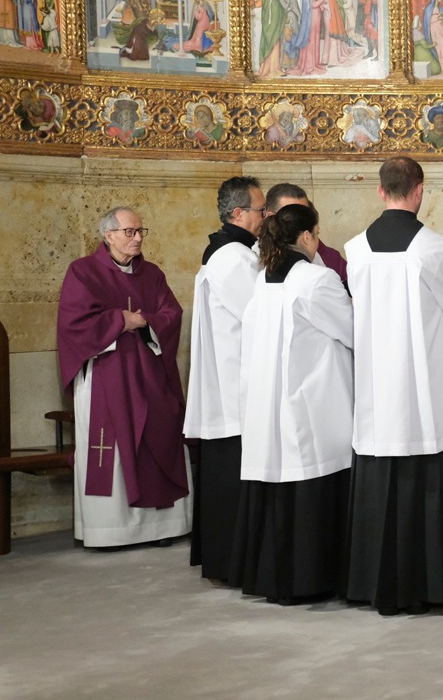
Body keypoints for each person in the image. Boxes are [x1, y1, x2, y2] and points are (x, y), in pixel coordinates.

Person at [344, 156, 443, 616]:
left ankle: (374, 583)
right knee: (428, 473)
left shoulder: (355, 249)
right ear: (419, 191)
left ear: (380, 191)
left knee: (380, 477)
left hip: (376, 385)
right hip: (424, 387)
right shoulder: (434, 250)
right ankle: (432, 585)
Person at [232, 203, 353, 604]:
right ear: (306, 237)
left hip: (269, 403)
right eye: (316, 234)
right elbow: (352, 330)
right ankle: (311, 579)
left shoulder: (264, 278)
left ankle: (273, 578)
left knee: (279, 482)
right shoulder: (317, 279)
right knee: (310, 476)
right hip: (309, 401)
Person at [57, 207, 191, 547]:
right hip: (106, 376)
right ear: (109, 235)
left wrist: (143, 321)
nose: (138, 238)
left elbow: (171, 313)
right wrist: (120, 320)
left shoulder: (152, 273)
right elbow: (75, 324)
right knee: (110, 446)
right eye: (130, 231)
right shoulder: (83, 272)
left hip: (149, 375)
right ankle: (110, 531)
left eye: (141, 231)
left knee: (159, 434)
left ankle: (162, 527)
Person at [183, 176, 266, 583]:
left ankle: (228, 559)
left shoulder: (228, 251)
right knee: (233, 475)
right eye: (261, 210)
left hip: (230, 382)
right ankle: (235, 562)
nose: (265, 217)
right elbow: (260, 313)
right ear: (238, 213)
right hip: (235, 385)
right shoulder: (233, 257)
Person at [264, 182, 348, 289]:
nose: (303, 221)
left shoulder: (326, 256)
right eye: (292, 214)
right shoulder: (253, 258)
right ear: (270, 217)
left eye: (306, 213)